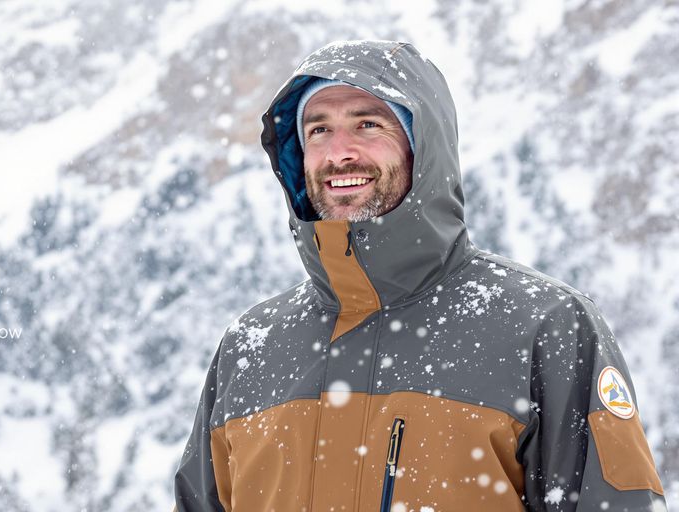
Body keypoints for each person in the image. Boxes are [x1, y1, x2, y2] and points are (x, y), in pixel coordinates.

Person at [172, 40, 667, 512]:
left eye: (368, 124)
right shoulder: (251, 347)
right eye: (318, 130)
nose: (339, 152)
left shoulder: (543, 325)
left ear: (423, 149)